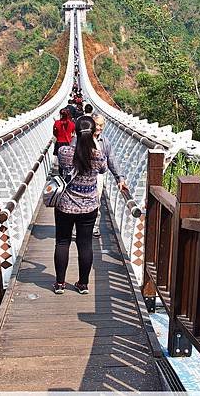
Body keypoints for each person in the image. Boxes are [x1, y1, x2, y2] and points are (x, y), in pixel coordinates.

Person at [53, 117, 106, 295]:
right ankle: (83, 285)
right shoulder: (98, 156)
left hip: (65, 205)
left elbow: (63, 165)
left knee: (62, 242)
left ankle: (60, 284)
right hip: (89, 207)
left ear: (74, 132)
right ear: (93, 133)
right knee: (85, 244)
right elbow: (103, 170)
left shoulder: (63, 152)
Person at [70, 113, 128, 237]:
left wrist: (120, 178)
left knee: (96, 201)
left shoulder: (104, 141)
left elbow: (111, 159)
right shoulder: (78, 138)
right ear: (91, 124)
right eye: (97, 124)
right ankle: (77, 228)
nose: (99, 128)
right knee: (78, 200)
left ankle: (94, 227)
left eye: (101, 125)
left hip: (97, 176)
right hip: (78, 175)